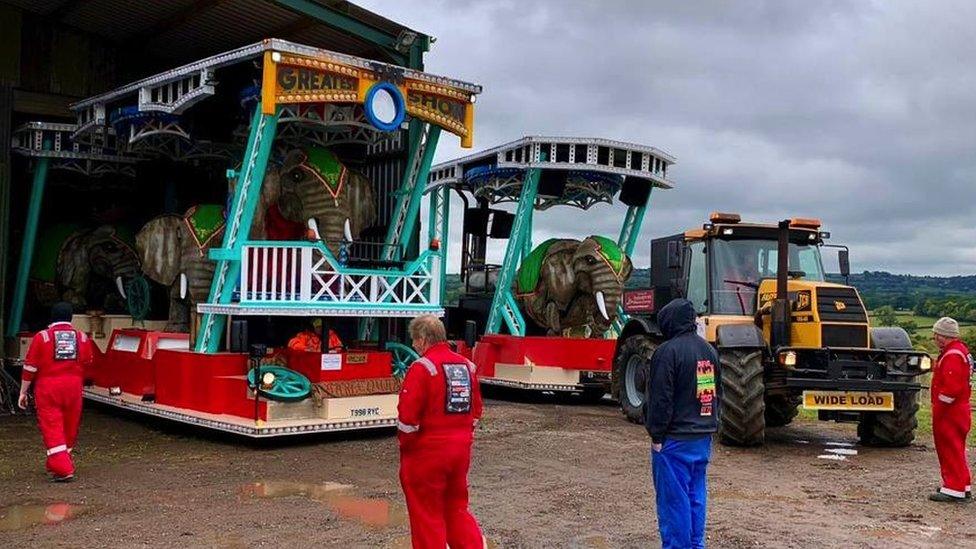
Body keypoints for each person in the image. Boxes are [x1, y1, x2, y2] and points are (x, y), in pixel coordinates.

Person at [397, 314, 484, 548]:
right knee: (456, 507)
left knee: (426, 514)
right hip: (460, 452)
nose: (414, 345)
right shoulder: (467, 366)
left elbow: (407, 419)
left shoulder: (422, 368)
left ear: (424, 339)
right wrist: (462, 437)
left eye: (415, 340)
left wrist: (408, 449)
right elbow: (476, 411)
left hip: (427, 454)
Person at [645, 298, 721, 548]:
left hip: (674, 441)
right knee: (695, 497)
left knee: (673, 502)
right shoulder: (709, 351)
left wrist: (657, 437)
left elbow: (660, 400)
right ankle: (695, 544)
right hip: (702, 437)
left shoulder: (666, 353)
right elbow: (714, 391)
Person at [18, 302, 94, 481]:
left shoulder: (42, 337)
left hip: (48, 388)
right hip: (74, 388)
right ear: (71, 318)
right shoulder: (82, 337)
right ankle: (58, 460)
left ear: (52, 317)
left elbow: (30, 367)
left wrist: (23, 391)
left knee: (52, 426)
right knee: (70, 425)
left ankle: (63, 468)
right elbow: (88, 362)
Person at [928, 317, 972, 503]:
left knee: (949, 448)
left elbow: (951, 388)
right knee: (956, 448)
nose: (935, 337)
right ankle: (963, 484)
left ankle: (954, 488)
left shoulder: (952, 355)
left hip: (950, 411)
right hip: (959, 409)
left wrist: (939, 406)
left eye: (936, 334)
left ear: (942, 336)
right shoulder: (960, 351)